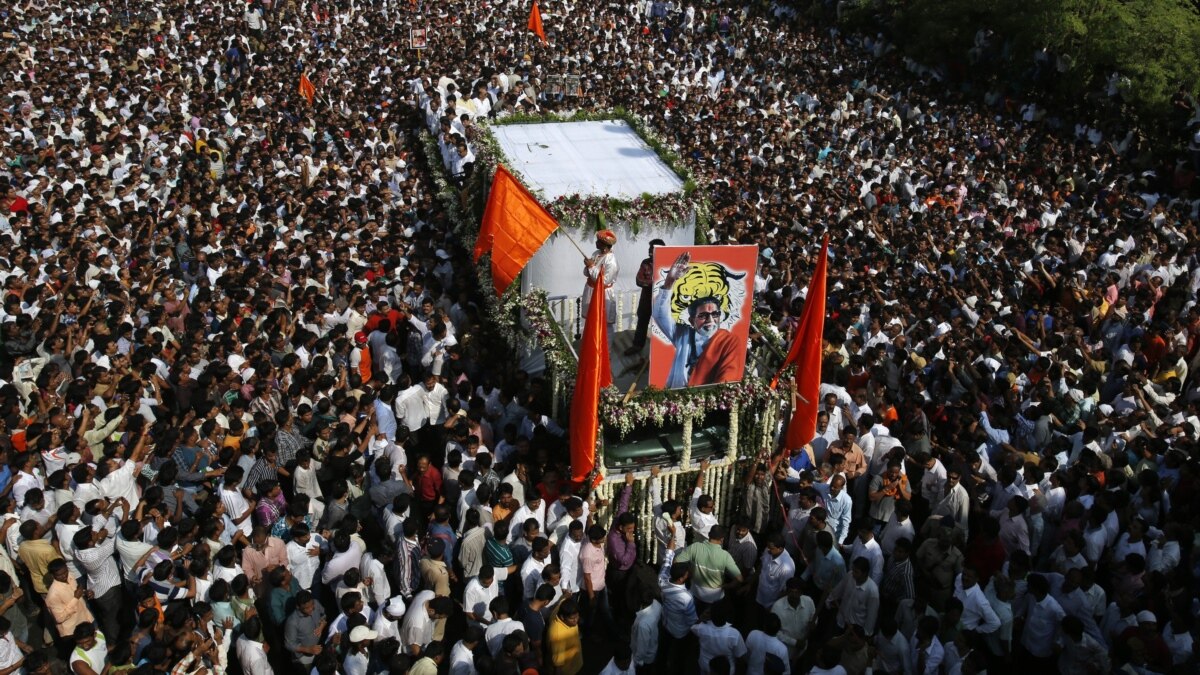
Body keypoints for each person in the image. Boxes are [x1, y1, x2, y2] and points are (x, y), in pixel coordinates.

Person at [653, 252, 746, 388]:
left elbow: (727, 377)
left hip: (705, 402)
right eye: (703, 316)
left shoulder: (728, 341)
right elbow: (660, 315)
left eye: (715, 314)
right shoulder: (683, 334)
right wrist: (670, 281)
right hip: (675, 396)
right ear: (692, 320)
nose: (710, 320)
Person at [626, 238, 665, 357]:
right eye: (650, 248)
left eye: (653, 249)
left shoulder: (667, 262)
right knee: (642, 322)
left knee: (661, 325)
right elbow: (639, 280)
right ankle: (637, 345)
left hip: (661, 301)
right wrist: (653, 283)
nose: (650, 251)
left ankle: (661, 350)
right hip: (646, 300)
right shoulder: (645, 263)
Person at [583, 229, 619, 344]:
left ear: (605, 245)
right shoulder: (596, 253)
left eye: (598, 241)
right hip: (591, 291)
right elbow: (587, 273)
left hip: (603, 294)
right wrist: (588, 266)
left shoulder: (611, 261)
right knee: (591, 321)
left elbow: (603, 281)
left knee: (605, 324)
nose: (596, 242)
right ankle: (592, 346)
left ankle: (606, 353)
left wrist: (591, 267)